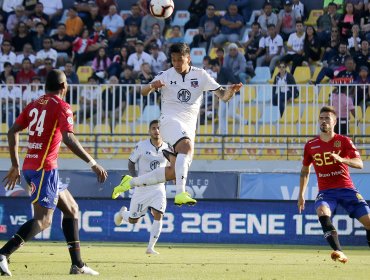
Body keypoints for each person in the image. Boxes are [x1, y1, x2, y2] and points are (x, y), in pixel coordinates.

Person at [0, 70, 108, 276]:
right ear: (64, 87)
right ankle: (3, 254)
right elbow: (68, 138)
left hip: (34, 165)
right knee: (44, 220)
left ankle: (78, 264)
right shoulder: (63, 106)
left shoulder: (34, 104)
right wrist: (93, 163)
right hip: (44, 168)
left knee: (72, 209)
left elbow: (12, 130)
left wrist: (15, 164)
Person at [111, 43, 242, 205]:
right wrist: (153, 86)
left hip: (189, 127)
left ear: (188, 58)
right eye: (173, 60)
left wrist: (231, 92)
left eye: (180, 60)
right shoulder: (165, 75)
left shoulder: (201, 75)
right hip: (169, 121)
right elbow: (143, 91)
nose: (177, 64)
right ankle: (181, 193)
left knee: (174, 171)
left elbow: (223, 96)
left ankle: (129, 182)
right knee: (185, 146)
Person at [298, 105, 370, 264]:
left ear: (334, 122)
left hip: (347, 189)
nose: (323, 121)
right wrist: (301, 195)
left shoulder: (343, 141)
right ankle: (339, 251)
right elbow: (304, 171)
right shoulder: (310, 145)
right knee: (322, 211)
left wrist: (343, 160)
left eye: (327, 119)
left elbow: (360, 163)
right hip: (326, 192)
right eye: (321, 118)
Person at [114, 120, 169, 255]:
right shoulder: (142, 146)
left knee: (159, 214)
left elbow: (171, 167)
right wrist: (135, 180)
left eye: (158, 128)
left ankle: (150, 247)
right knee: (134, 220)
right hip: (142, 188)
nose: (156, 131)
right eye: (153, 128)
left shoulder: (168, 148)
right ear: (149, 131)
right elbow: (131, 163)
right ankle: (122, 213)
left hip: (158, 188)